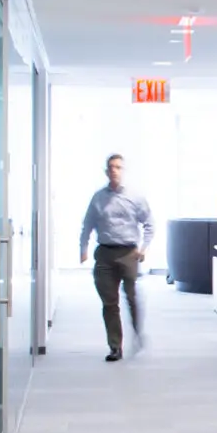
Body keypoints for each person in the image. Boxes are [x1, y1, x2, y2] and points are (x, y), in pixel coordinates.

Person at [78, 153, 154, 362]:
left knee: (131, 297)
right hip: (104, 254)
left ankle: (137, 332)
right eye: (111, 167)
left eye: (119, 167)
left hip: (128, 253)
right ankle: (115, 346)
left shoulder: (135, 197)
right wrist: (83, 248)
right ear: (106, 171)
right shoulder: (98, 198)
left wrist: (143, 248)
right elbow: (88, 225)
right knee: (109, 303)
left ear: (123, 171)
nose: (114, 170)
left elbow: (149, 224)